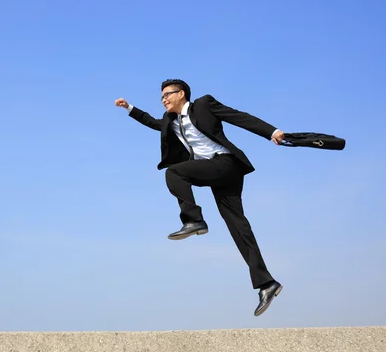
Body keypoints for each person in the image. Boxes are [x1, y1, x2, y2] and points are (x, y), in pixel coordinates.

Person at [115, 79, 285, 316]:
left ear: (181, 93)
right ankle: (267, 283)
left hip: (225, 163)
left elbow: (239, 116)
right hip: (216, 172)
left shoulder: (204, 105)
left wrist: (272, 132)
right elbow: (152, 122)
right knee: (238, 226)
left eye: (167, 94)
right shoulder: (169, 120)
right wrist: (130, 108)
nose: (163, 99)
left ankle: (194, 220)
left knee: (175, 172)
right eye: (161, 96)